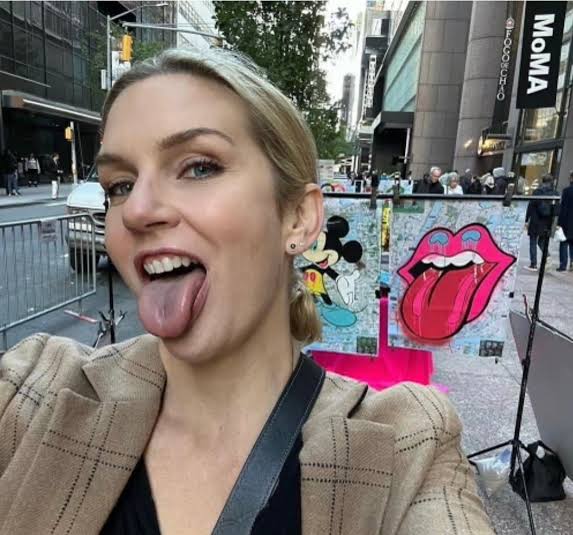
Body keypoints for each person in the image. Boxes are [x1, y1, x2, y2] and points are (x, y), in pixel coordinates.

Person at [0, 47, 493, 534]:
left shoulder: (406, 447)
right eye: (120, 185)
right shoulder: (33, 390)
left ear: (297, 217)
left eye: (199, 167)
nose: (137, 211)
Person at [525, 174, 558, 271]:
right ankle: (548, 257)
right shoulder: (555, 193)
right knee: (542, 241)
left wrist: (526, 219)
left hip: (536, 219)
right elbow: (556, 209)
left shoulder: (537, 192)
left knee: (533, 241)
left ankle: (533, 264)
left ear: (542, 181)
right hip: (547, 221)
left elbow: (531, 206)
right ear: (551, 182)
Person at [557, 171, 573, 271]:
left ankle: (563, 265)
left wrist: (559, 223)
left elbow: (563, 208)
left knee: (563, 242)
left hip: (566, 221)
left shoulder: (567, 191)